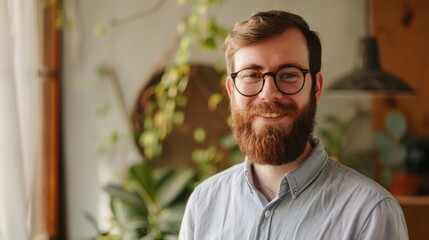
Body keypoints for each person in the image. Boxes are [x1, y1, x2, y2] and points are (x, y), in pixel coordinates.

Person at [179, 10, 408, 239]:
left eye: (288, 75)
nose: (269, 94)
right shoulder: (204, 204)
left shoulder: (370, 213)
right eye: (251, 75)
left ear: (315, 88)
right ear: (231, 90)